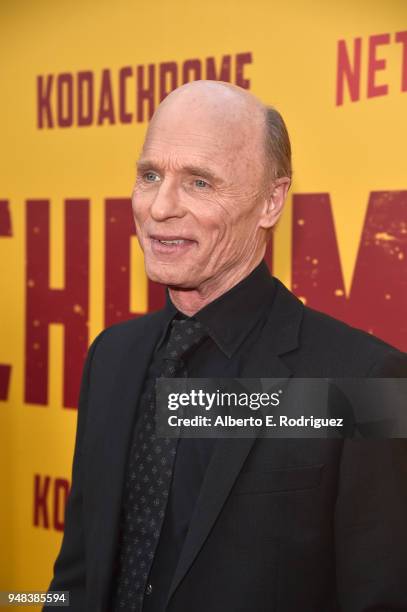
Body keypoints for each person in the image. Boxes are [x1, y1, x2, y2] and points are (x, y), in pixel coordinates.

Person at [47, 81, 407, 611]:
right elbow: (77, 574)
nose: (160, 207)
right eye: (150, 176)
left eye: (199, 182)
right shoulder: (111, 357)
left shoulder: (367, 379)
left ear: (270, 201)